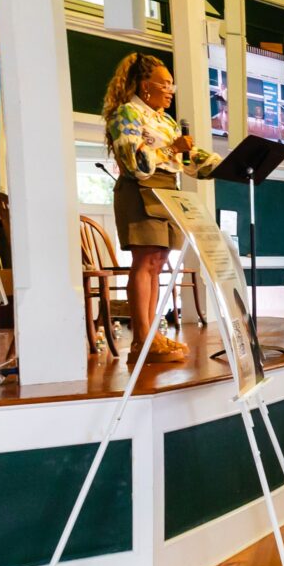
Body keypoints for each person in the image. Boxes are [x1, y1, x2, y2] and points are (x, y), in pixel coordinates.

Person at [104, 53, 221, 364]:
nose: (171, 90)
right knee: (145, 261)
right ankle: (141, 338)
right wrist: (172, 148)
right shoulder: (127, 114)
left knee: (158, 262)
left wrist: (229, 165)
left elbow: (187, 159)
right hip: (141, 189)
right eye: (165, 84)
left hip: (168, 190)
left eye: (172, 85)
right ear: (145, 86)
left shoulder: (165, 121)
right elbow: (134, 163)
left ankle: (152, 334)